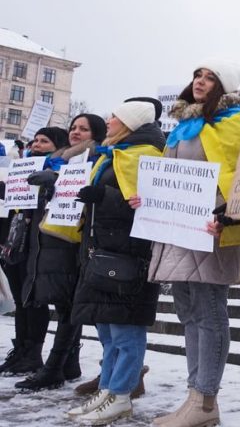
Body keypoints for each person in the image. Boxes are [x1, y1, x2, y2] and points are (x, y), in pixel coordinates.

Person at [143, 60, 240, 427]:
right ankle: (194, 396)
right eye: (198, 75)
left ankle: (206, 399)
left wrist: (230, 214)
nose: (201, 82)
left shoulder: (236, 122)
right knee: (188, 312)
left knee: (209, 312)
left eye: (211, 78)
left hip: (212, 230)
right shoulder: (185, 126)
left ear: (224, 88)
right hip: (179, 230)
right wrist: (147, 197)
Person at [65, 101, 165, 425]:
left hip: (128, 254)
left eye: (116, 117)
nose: (109, 121)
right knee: (108, 330)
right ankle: (108, 390)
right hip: (104, 250)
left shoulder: (145, 155)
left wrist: (103, 197)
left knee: (125, 330)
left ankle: (121, 394)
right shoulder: (115, 153)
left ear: (131, 123)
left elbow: (150, 205)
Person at [15, 116, 107, 391]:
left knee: (69, 307)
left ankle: (54, 367)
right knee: (65, 305)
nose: (76, 132)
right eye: (73, 128)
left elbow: (85, 187)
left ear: (96, 134)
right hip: (56, 240)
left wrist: (55, 181)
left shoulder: (93, 158)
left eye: (84, 129)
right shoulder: (65, 159)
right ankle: (68, 363)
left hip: (75, 242)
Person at [0, 127, 70, 378]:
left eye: (44, 141)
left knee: (34, 299)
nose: (37, 144)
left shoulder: (61, 168)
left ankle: (33, 354)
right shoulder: (24, 166)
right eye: (35, 140)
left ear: (57, 145)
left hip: (43, 243)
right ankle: (21, 349)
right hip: (18, 240)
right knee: (21, 299)